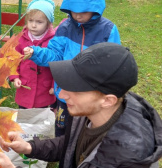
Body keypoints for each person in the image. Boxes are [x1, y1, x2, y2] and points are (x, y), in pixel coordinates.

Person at [0, 43, 162, 168]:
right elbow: (70, 144)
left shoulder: (127, 152)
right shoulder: (91, 110)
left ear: (107, 100)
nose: (62, 94)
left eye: (76, 88)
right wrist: (28, 147)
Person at [23, 0, 121, 137]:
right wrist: (36, 52)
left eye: (83, 12)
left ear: (95, 9)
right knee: (62, 130)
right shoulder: (65, 27)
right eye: (74, 11)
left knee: (85, 132)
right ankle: (61, 154)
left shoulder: (107, 30)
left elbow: (114, 62)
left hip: (90, 95)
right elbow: (55, 54)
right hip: (66, 94)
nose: (78, 16)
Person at [9, 0, 56, 109]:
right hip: (25, 87)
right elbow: (13, 60)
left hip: (44, 90)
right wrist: (15, 77)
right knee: (24, 119)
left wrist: (55, 85)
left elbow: (57, 64)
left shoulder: (53, 41)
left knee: (41, 120)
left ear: (48, 23)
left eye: (39, 22)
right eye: (30, 21)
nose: (34, 25)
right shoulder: (21, 39)